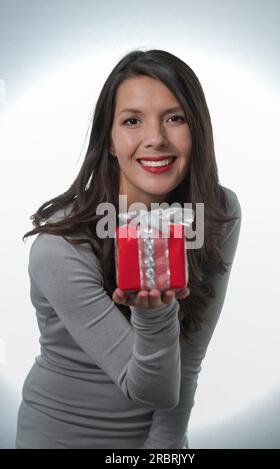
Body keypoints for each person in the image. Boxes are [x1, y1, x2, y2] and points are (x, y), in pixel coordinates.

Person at [15, 49, 242, 449]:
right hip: (60, 437)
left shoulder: (217, 213)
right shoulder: (60, 247)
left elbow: (188, 359)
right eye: (132, 121)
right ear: (110, 141)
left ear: (198, 131)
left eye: (175, 118)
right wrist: (153, 319)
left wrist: (163, 450)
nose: (155, 139)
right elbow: (149, 390)